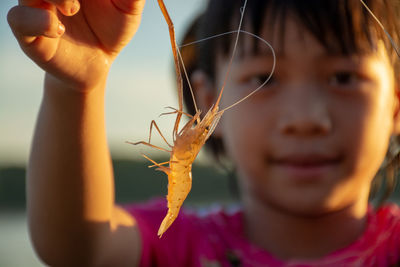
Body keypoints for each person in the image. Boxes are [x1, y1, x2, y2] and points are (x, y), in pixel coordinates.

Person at [7, 0, 400, 266]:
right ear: (205, 98)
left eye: (344, 77)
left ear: (396, 107)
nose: (305, 119)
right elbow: (77, 248)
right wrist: (78, 89)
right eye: (264, 79)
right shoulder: (182, 239)